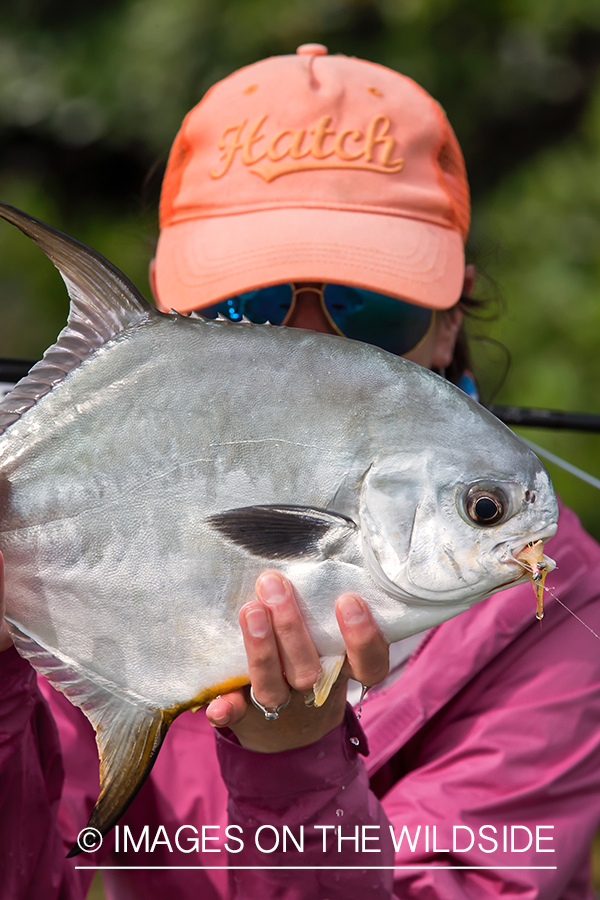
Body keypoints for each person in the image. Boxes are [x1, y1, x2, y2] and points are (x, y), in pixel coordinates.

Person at [2, 44, 600, 900]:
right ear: (164, 309)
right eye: (243, 308)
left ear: (447, 317)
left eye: (375, 306)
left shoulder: (555, 608)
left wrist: (295, 767)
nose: (313, 347)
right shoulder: (75, 510)